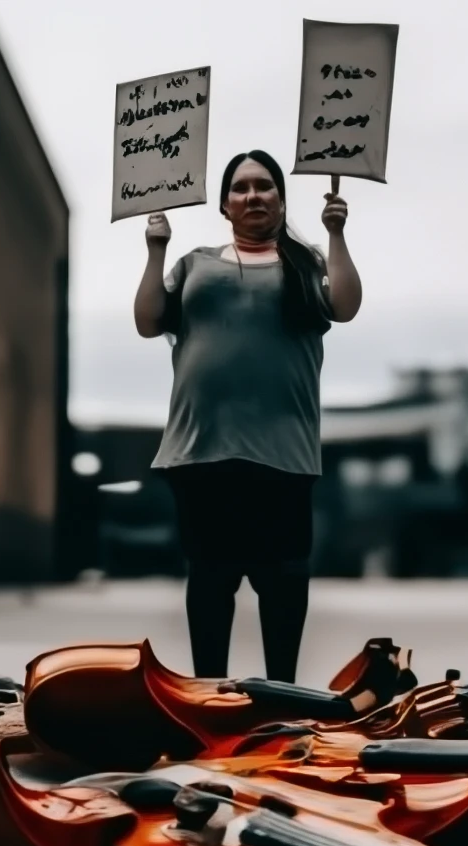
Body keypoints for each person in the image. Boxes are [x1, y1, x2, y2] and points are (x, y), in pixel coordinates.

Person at [133, 149, 362, 683]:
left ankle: (282, 693)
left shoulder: (305, 265)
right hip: (202, 448)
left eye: (265, 186)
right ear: (224, 205)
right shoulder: (194, 263)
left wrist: (335, 233)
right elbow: (148, 321)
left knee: (283, 579)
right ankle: (208, 693)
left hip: (283, 450)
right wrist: (155, 248)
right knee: (210, 578)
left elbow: (346, 304)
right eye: (241, 188)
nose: (253, 195)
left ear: (281, 201)